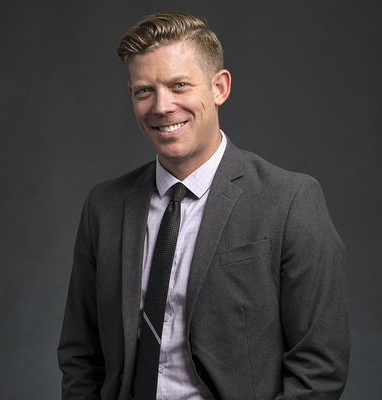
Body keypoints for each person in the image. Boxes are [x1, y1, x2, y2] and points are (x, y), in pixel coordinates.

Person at [57, 11, 350, 400]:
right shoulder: (104, 207)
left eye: (179, 85)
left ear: (219, 87)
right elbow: (81, 355)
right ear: (131, 95)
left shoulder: (290, 201)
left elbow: (320, 367)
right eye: (144, 90)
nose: (161, 106)